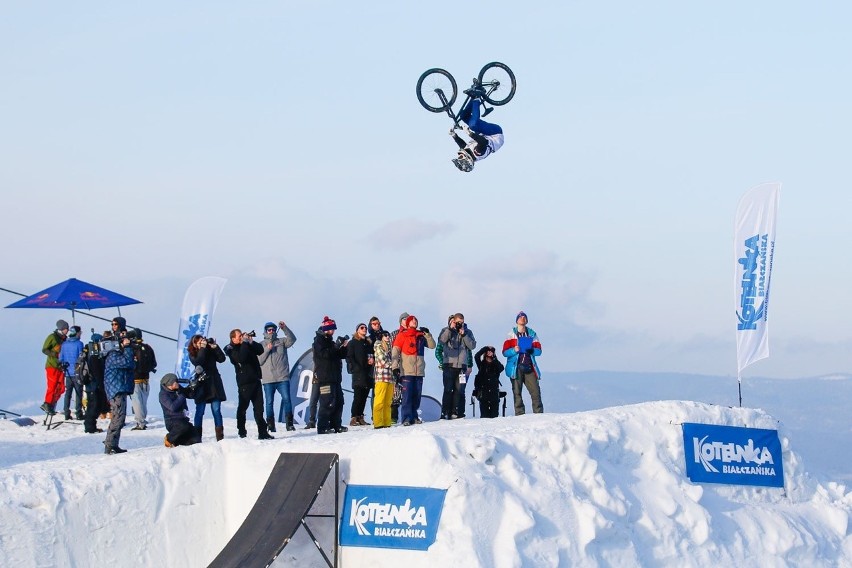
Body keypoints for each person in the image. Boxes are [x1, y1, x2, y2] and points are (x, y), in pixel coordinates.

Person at [224, 328, 273, 440]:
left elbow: (260, 350)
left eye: (242, 335)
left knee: (259, 409)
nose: (241, 337)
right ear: (233, 339)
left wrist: (251, 342)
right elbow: (242, 358)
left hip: (255, 380)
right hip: (244, 383)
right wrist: (245, 343)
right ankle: (242, 431)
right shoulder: (231, 349)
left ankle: (263, 432)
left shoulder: (246, 344)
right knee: (243, 408)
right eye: (239, 336)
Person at [391, 315, 435, 426]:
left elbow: (432, 345)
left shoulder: (420, 335)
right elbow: (395, 353)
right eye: (412, 320)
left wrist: (428, 335)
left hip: (419, 371)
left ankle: (414, 417)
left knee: (417, 395)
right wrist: (395, 367)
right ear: (408, 323)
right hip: (407, 371)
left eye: (416, 320)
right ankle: (406, 418)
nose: (414, 321)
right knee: (407, 396)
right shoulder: (401, 335)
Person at [449, 89, 504, 172]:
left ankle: (473, 96)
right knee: (473, 125)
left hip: (484, 134)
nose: (459, 155)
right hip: (495, 134)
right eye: (460, 158)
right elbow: (483, 142)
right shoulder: (478, 153)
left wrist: (454, 135)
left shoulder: (470, 152)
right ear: (467, 160)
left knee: (463, 115)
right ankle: (477, 97)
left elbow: (462, 145)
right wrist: (469, 133)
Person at [258, 320, 298, 433]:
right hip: (268, 379)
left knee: (287, 400)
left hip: (282, 377)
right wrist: (267, 349)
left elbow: (293, 339)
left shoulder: (281, 341)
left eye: (273, 329)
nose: (271, 331)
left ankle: (289, 424)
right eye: (269, 329)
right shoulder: (261, 344)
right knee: (269, 402)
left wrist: (285, 327)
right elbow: (259, 361)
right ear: (265, 331)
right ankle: (271, 425)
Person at [501, 311, 544, 415]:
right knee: (517, 392)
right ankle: (520, 414)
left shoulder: (532, 334)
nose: (522, 318)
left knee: (536, 392)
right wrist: (514, 350)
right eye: (520, 317)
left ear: (527, 320)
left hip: (529, 366)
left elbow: (539, 351)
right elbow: (505, 352)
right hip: (516, 367)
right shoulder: (511, 335)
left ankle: (539, 413)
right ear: (516, 320)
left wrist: (532, 351)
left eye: (524, 317)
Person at [312, 316, 348, 434]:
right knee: (327, 402)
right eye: (331, 329)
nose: (333, 331)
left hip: (335, 378)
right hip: (325, 377)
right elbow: (325, 355)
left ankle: (336, 425)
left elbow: (339, 355)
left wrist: (343, 347)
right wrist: (336, 347)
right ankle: (322, 427)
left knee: (339, 401)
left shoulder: (330, 342)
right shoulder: (318, 341)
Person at [102, 324, 135, 454]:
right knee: (117, 418)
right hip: (116, 390)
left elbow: (130, 364)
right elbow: (127, 363)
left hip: (119, 388)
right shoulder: (113, 355)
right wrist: (127, 348)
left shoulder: (116, 355)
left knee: (119, 418)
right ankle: (110, 445)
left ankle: (113, 444)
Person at [188, 334, 227, 441]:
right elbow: (198, 361)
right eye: (199, 341)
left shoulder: (209, 350)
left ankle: (220, 437)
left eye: (203, 340)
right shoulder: (193, 353)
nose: (202, 342)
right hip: (201, 384)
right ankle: (197, 437)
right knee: (200, 411)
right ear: (195, 344)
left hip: (214, 383)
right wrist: (203, 348)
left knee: (216, 410)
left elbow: (222, 359)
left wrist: (215, 347)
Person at [437, 313, 476, 419]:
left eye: (461, 322)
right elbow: (441, 341)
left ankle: (457, 412)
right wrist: (450, 329)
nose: (460, 324)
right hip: (449, 365)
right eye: (458, 322)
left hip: (462, 366)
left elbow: (472, 346)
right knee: (448, 389)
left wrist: (464, 335)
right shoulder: (446, 330)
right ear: (453, 321)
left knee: (460, 390)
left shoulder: (468, 332)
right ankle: (445, 412)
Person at [159, 373, 201, 448]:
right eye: (175, 382)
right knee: (183, 427)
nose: (177, 383)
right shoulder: (163, 395)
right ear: (170, 383)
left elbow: (190, 395)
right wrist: (182, 396)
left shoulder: (178, 389)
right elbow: (172, 407)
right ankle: (169, 439)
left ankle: (177, 441)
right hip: (172, 421)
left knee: (195, 438)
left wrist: (193, 387)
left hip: (183, 420)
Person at [129, 328, 157, 431]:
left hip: (135, 378)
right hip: (146, 378)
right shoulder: (147, 347)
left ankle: (140, 422)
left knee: (137, 401)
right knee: (143, 401)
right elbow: (154, 363)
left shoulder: (131, 348)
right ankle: (143, 419)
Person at [346, 323, 373, 426]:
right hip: (358, 373)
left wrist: (372, 361)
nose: (364, 329)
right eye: (362, 328)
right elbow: (349, 357)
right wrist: (355, 367)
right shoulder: (353, 342)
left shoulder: (368, 343)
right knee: (357, 396)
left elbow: (371, 355)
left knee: (364, 397)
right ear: (357, 330)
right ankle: (353, 417)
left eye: (365, 328)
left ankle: (360, 417)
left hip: (367, 373)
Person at [40, 319, 69, 415]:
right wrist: (55, 354)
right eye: (65, 329)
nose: (67, 330)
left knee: (61, 388)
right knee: (52, 386)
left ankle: (52, 403)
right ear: (61, 329)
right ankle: (47, 403)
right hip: (52, 365)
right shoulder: (52, 337)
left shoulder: (65, 339)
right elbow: (44, 349)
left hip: (61, 366)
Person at [59, 325, 85, 420]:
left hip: (67, 373)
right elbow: (81, 357)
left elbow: (61, 358)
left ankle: (66, 412)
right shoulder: (79, 344)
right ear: (77, 333)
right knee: (78, 392)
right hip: (77, 372)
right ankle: (78, 413)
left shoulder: (64, 344)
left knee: (68, 393)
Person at [82, 332, 106, 434]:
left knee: (93, 404)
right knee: (93, 405)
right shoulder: (94, 355)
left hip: (89, 383)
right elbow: (97, 371)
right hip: (93, 384)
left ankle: (90, 426)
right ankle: (90, 427)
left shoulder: (88, 352)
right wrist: (101, 383)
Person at [473, 346, 505, 418]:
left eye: (491, 352)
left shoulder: (496, 365)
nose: (489, 354)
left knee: (494, 417)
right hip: (484, 394)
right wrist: (485, 349)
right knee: (484, 417)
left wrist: (494, 358)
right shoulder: (481, 365)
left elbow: (501, 368)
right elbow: (476, 356)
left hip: (494, 395)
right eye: (488, 352)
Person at [388, 312, 409, 424]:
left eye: (408, 319)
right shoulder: (395, 334)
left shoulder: (413, 333)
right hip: (397, 366)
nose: (406, 321)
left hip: (409, 367)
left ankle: (407, 417)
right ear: (400, 321)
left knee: (407, 392)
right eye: (404, 319)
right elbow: (391, 352)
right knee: (395, 392)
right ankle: (393, 418)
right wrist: (394, 366)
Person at [372, 330, 394, 429]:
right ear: (381, 337)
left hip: (390, 378)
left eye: (388, 335)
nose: (387, 337)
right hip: (381, 377)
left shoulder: (390, 347)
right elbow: (383, 361)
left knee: (388, 402)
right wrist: (394, 365)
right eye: (385, 335)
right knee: (379, 401)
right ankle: (378, 422)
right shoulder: (378, 346)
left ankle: (387, 422)